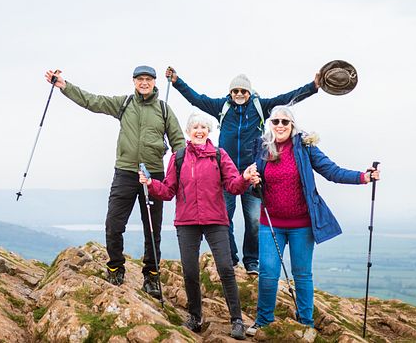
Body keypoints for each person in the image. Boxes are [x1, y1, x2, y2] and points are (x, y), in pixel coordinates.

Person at [44, 66, 186, 298]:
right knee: (114, 224)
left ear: (154, 82)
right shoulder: (125, 103)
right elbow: (93, 101)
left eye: (148, 79)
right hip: (125, 173)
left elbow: (178, 141)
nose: (144, 83)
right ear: (133, 81)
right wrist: (64, 86)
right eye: (140, 79)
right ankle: (115, 267)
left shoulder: (163, 109)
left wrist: (181, 170)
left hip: (153, 177)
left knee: (152, 229)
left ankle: (151, 277)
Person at [165, 66, 319, 275]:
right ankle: (231, 257)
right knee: (224, 218)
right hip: (226, 173)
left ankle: (251, 261)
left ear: (249, 92)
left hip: (252, 172)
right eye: (235, 91)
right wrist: (176, 81)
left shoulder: (260, 107)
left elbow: (288, 98)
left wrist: (313, 86)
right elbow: (196, 99)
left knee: (255, 220)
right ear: (230, 93)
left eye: (243, 91)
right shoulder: (221, 106)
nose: (239, 94)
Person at [245, 105, 381, 335]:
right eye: (275, 121)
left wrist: (363, 177)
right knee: (268, 273)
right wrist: (253, 182)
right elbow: (253, 178)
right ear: (270, 124)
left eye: (284, 122)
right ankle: (263, 321)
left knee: (302, 275)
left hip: (301, 224)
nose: (279, 126)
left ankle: (305, 322)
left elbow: (332, 171)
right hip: (271, 223)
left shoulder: (305, 148)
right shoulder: (262, 148)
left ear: (292, 125)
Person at [139, 112, 261, 340]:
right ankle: (195, 317)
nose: (199, 130)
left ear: (208, 131)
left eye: (203, 127)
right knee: (191, 271)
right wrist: (150, 184)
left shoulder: (219, 154)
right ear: (188, 131)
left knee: (225, 268)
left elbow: (234, 186)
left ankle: (236, 320)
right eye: (195, 127)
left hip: (216, 220)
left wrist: (244, 177)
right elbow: (168, 191)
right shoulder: (179, 157)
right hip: (187, 222)